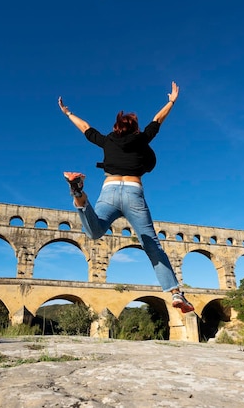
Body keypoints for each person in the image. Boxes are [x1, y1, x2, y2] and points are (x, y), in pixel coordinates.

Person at [58, 81, 194, 313]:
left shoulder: (108, 140)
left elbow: (86, 129)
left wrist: (69, 113)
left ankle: (79, 192)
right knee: (152, 246)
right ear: (134, 128)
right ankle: (175, 293)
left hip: (109, 191)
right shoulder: (141, 139)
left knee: (94, 231)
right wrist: (171, 101)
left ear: (116, 127)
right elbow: (157, 121)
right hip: (133, 192)